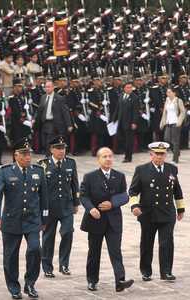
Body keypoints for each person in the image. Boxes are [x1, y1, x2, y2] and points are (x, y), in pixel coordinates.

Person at [0, 138, 48, 299]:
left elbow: (45, 198)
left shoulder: (38, 171)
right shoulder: (5, 171)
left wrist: (44, 220)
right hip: (11, 221)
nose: (28, 157)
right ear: (16, 156)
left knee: (35, 249)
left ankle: (30, 283)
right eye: (24, 154)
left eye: (29, 154)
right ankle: (14, 287)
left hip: (32, 220)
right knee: (10, 256)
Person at [129, 142, 185, 282]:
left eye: (162, 154)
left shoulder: (172, 169)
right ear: (151, 154)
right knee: (147, 243)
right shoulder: (141, 170)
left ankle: (166, 272)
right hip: (148, 213)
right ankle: (146, 271)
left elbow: (177, 190)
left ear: (166, 155)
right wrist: (134, 206)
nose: (160, 157)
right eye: (157, 154)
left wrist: (180, 208)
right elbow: (133, 191)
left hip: (167, 212)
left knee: (167, 243)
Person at [80, 147, 134, 292]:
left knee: (115, 251)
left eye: (110, 156)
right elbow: (83, 196)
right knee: (94, 252)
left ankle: (120, 280)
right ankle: (92, 280)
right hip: (95, 220)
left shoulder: (119, 176)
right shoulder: (89, 177)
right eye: (104, 156)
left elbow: (125, 195)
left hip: (113, 220)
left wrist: (112, 203)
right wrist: (91, 208)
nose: (108, 159)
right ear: (98, 159)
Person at [38, 135, 79, 277]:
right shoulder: (42, 164)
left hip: (66, 206)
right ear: (51, 149)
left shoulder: (70, 163)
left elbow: (75, 184)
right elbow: (39, 189)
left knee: (68, 232)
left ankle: (64, 264)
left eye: (63, 148)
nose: (61, 151)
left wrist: (76, 202)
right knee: (48, 237)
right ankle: (47, 267)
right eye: (58, 148)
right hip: (49, 208)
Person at [37, 80, 73, 155]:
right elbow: (39, 109)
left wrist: (69, 124)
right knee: (44, 142)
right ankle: (49, 156)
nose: (47, 89)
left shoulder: (59, 98)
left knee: (49, 142)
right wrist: (34, 119)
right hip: (44, 122)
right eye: (46, 87)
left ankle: (49, 157)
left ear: (53, 87)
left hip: (53, 123)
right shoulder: (43, 97)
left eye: (49, 87)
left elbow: (65, 112)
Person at [113, 82, 139, 162]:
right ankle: (124, 153)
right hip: (121, 121)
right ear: (124, 88)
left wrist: (134, 122)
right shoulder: (121, 96)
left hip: (129, 122)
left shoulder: (135, 98)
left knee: (129, 140)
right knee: (122, 139)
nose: (129, 89)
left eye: (130, 87)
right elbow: (117, 108)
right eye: (127, 87)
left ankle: (128, 157)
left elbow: (135, 111)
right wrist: (114, 119)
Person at [160, 87, 186, 163]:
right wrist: (162, 122)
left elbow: (182, 112)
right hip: (168, 122)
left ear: (174, 93)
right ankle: (177, 152)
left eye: (169, 92)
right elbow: (165, 112)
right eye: (167, 92)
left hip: (176, 122)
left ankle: (175, 159)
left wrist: (179, 121)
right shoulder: (167, 101)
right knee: (167, 139)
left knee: (175, 141)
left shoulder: (178, 100)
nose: (167, 93)